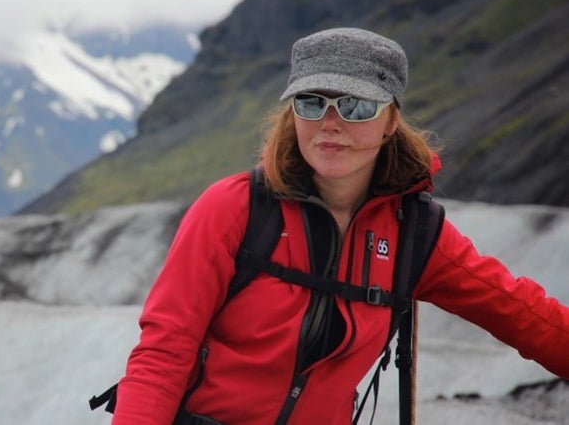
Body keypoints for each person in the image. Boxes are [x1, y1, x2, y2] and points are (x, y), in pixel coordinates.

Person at [110, 27, 569, 424]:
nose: (330, 124)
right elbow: (162, 354)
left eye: (355, 106)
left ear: (391, 119)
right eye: (311, 103)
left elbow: (523, 314)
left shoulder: (414, 233)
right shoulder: (234, 209)